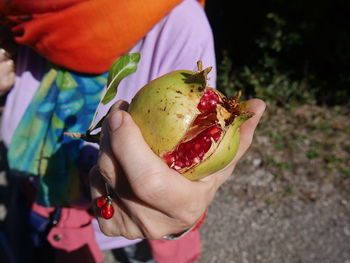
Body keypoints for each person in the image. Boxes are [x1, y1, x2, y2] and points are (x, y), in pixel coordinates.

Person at [0, 0, 265, 262]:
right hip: (32, 199)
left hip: (126, 227)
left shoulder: (179, 23)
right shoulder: (18, 14)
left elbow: (184, 191)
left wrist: (181, 214)